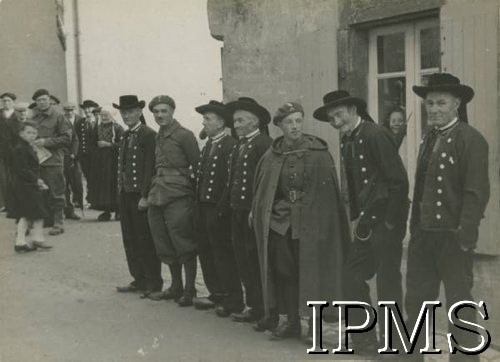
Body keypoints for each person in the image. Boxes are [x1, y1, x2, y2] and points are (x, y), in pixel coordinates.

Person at [314, 90, 409, 354]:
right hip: (366, 224)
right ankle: (366, 341)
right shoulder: (348, 139)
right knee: (352, 277)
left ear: (353, 111)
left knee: (388, 285)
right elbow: (355, 188)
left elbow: (399, 182)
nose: (335, 121)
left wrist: (391, 224)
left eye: (339, 114)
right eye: (331, 118)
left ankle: (396, 349)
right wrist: (357, 218)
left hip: (385, 224)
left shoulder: (374, 134)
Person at [405, 73, 489, 361]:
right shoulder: (429, 138)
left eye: (441, 103)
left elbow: (476, 193)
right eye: (429, 103)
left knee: (459, 304)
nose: (434, 109)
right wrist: (415, 229)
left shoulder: (471, 139)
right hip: (423, 235)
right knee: (416, 300)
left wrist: (465, 237)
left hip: (453, 238)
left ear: (456, 104)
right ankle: (412, 357)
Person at [252, 102, 350, 339]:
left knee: (312, 272)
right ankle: (292, 321)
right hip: (281, 223)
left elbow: (328, 195)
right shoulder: (272, 154)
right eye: (289, 122)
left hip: (311, 223)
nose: (294, 126)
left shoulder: (318, 152)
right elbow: (265, 189)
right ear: (280, 126)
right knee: (285, 272)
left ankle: (314, 324)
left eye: (298, 120)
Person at [220, 97, 272, 323]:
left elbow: (265, 182)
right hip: (238, 211)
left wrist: (255, 209)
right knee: (243, 259)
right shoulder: (240, 144)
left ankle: (264, 308)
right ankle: (253, 305)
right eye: (235, 121)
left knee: (255, 259)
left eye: (240, 120)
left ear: (255, 121)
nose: (236, 125)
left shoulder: (264, 144)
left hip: (253, 213)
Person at [145, 95, 200, 306]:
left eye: (164, 111)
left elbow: (197, 165)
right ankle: (175, 286)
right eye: (156, 112)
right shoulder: (158, 136)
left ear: (172, 111)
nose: (159, 115)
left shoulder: (184, 136)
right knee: (163, 241)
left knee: (183, 241)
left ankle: (189, 289)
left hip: (178, 194)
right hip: (157, 194)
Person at [191, 100, 244, 313]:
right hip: (204, 206)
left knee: (223, 253)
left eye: (208, 119)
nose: (204, 122)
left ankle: (233, 299)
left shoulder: (230, 145)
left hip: (218, 208)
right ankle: (216, 292)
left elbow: (230, 181)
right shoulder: (209, 144)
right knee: (206, 250)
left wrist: (222, 209)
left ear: (221, 122)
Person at [114, 95, 163, 297]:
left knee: (145, 239)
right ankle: (138, 279)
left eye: (131, 112)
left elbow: (149, 168)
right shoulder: (125, 136)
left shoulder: (148, 135)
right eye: (124, 113)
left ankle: (153, 282)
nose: (127, 116)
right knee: (130, 238)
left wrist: (145, 195)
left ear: (140, 112)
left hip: (140, 196)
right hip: (126, 194)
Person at [31, 89, 72, 236]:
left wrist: (46, 142)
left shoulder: (58, 117)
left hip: (53, 161)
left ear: (49, 100)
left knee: (57, 192)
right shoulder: (34, 117)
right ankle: (46, 220)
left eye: (44, 99)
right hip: (37, 161)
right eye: (38, 100)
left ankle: (58, 223)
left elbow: (67, 138)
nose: (41, 102)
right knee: (40, 192)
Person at [10, 121, 52, 252]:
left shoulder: (27, 147)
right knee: (37, 213)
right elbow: (23, 169)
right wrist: (37, 180)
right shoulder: (20, 149)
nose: (32, 135)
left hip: (26, 184)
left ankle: (21, 242)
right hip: (26, 185)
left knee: (27, 214)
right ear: (21, 133)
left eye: (34, 133)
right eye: (28, 132)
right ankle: (36, 239)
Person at [88, 109, 123, 221]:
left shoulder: (118, 128)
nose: (104, 117)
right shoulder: (96, 128)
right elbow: (92, 143)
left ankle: (119, 211)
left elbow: (122, 144)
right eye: (102, 115)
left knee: (114, 185)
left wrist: (108, 144)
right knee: (103, 186)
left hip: (113, 162)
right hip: (100, 162)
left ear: (112, 115)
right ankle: (106, 211)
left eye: (106, 115)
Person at [62, 102, 84, 219]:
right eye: (66, 110)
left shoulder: (80, 120)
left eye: (71, 110)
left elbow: (76, 139)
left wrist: (74, 153)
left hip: (76, 155)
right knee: (65, 183)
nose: (69, 112)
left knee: (77, 181)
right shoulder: (61, 121)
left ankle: (79, 203)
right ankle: (68, 209)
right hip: (63, 156)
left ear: (74, 110)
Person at [0, 92, 21, 213]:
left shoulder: (17, 115)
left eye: (8, 101)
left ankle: (14, 203)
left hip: (15, 151)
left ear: (13, 102)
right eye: (4, 101)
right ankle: (4, 204)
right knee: (2, 178)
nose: (6, 103)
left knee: (14, 177)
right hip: (1, 151)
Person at [75, 100, 99, 194]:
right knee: (88, 176)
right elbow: (76, 139)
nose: (87, 110)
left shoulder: (99, 122)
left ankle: (97, 198)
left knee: (97, 176)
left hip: (97, 156)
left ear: (94, 109)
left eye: (89, 108)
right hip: (84, 156)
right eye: (85, 108)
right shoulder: (80, 123)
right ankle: (91, 198)